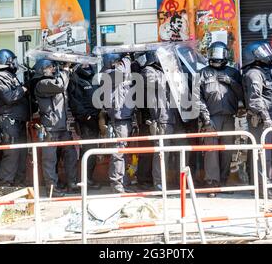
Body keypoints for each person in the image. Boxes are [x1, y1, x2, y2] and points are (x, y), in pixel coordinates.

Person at [198, 42, 244, 197]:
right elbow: (197, 98)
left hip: (229, 117)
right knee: (211, 151)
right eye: (213, 53)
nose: (216, 57)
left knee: (227, 150)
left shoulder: (233, 73)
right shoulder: (202, 73)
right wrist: (205, 118)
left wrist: (231, 82)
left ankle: (223, 181)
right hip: (211, 117)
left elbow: (242, 94)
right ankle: (212, 183)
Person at [140, 50, 187, 191]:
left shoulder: (167, 72)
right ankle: (159, 183)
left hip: (175, 117)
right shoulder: (148, 71)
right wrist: (170, 76)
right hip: (161, 118)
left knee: (182, 150)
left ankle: (181, 182)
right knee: (162, 153)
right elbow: (154, 82)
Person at [242, 41, 272, 199]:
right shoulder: (254, 74)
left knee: (264, 154)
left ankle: (262, 187)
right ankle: (264, 188)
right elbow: (254, 99)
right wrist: (265, 117)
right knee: (262, 155)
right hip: (260, 119)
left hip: (267, 117)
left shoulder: (263, 71)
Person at [33, 59, 78, 197]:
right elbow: (60, 86)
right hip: (50, 127)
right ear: (42, 69)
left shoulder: (55, 80)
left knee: (71, 154)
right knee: (50, 160)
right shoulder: (42, 83)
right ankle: (52, 189)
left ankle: (72, 183)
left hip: (62, 126)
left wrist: (68, 71)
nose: (53, 69)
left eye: (53, 66)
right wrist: (65, 70)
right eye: (50, 67)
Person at [0, 49, 29, 186]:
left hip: (18, 120)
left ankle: (18, 183)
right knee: (11, 154)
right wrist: (24, 89)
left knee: (21, 153)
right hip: (7, 121)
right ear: (8, 61)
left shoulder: (10, 76)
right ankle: (6, 184)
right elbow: (8, 97)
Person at [99, 53, 134, 193]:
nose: (120, 64)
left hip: (125, 116)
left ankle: (122, 183)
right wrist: (127, 58)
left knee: (123, 152)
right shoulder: (108, 74)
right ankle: (117, 185)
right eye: (117, 62)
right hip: (118, 118)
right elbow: (122, 73)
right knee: (118, 153)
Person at [67, 63, 101, 190]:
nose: (87, 65)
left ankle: (88, 178)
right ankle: (85, 180)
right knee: (87, 151)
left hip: (96, 119)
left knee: (91, 151)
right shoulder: (75, 79)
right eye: (83, 63)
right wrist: (86, 117)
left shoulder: (94, 78)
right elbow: (74, 103)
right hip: (85, 121)